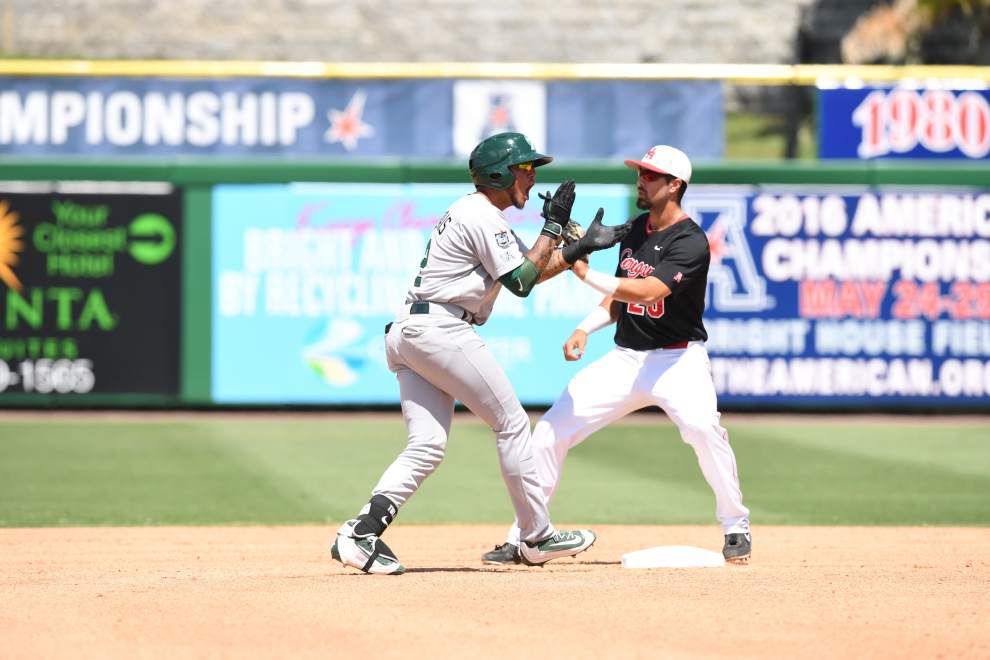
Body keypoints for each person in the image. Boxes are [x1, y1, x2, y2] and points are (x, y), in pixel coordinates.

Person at [332, 131, 632, 574]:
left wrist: (579, 248)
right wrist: (553, 229)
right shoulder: (481, 215)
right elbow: (521, 283)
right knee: (511, 424)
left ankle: (360, 533)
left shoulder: (476, 212)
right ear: (498, 173)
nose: (531, 178)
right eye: (525, 169)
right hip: (439, 328)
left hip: (413, 329)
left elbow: (526, 271)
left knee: (427, 445)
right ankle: (536, 536)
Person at [481, 145, 752, 566]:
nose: (640, 179)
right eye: (640, 172)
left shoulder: (692, 240)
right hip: (627, 359)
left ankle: (735, 525)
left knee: (703, 431)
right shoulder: (638, 230)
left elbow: (649, 290)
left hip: (678, 362)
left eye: (650, 175)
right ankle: (524, 536)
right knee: (551, 430)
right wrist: (583, 328)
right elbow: (621, 298)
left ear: (674, 185)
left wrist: (586, 273)